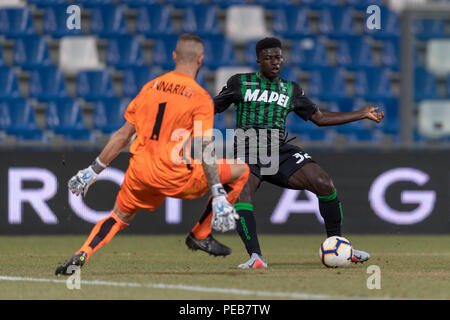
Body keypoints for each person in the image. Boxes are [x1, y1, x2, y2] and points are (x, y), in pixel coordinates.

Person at [55, 33, 249, 275]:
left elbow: (122, 136)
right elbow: (203, 147)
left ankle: (83, 253)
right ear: (201, 60)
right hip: (174, 175)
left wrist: (92, 170)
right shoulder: (200, 98)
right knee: (242, 171)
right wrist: (218, 194)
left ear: (174, 56)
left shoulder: (150, 87)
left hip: (140, 173)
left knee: (118, 217)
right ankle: (200, 234)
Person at [184, 37, 385, 268]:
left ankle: (339, 243)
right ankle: (255, 256)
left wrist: (362, 114)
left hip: (279, 151)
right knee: (243, 195)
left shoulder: (291, 89)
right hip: (248, 150)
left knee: (324, 183)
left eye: (278, 57)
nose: (275, 62)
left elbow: (319, 118)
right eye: (268, 58)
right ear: (258, 61)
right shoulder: (240, 83)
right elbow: (212, 107)